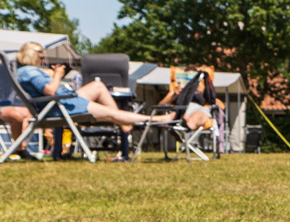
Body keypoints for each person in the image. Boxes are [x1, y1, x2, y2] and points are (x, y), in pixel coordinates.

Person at [15, 42, 175, 149]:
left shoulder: (26, 71)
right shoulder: (30, 71)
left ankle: (123, 122)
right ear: (32, 55)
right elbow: (50, 90)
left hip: (61, 102)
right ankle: (156, 119)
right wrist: (57, 74)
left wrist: (53, 74)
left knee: (97, 86)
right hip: (58, 107)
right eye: (41, 56)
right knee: (111, 113)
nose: (43, 59)